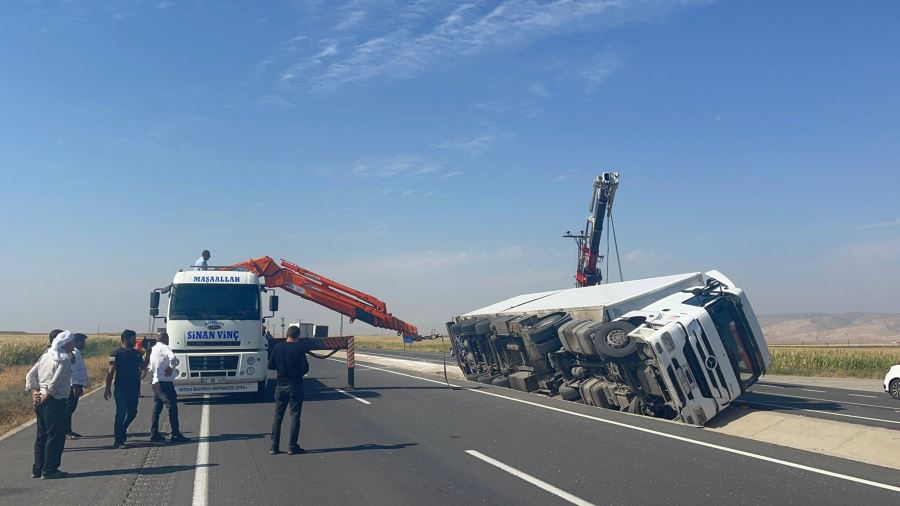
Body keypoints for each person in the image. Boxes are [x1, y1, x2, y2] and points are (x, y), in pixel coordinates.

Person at [25, 330, 76, 479]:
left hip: (40, 399)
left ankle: (37, 468)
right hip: (55, 400)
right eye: (72, 342)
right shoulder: (64, 359)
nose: (74, 344)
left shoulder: (46, 356)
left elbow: (30, 375)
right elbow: (55, 382)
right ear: (66, 343)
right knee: (55, 435)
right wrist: (47, 396)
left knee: (42, 434)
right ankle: (50, 469)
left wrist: (34, 391)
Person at [267, 325, 314, 455]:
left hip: (280, 386)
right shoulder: (299, 348)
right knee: (295, 416)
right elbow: (305, 368)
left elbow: (270, 365)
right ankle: (292, 446)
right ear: (297, 336)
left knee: (278, 416)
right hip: (295, 386)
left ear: (287, 335)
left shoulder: (278, 347)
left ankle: (274, 446)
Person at [104, 329, 143, 449]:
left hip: (134, 387)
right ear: (125, 339)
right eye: (133, 338)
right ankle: (118, 440)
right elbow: (111, 371)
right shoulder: (116, 353)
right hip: (121, 387)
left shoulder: (137, 353)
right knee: (120, 413)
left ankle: (123, 429)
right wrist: (107, 388)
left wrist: (148, 354)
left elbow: (143, 367)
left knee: (133, 412)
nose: (135, 341)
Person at [148, 332, 188, 443]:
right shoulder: (164, 347)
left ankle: (154, 434)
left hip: (156, 383)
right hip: (164, 383)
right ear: (165, 338)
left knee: (156, 409)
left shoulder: (153, 349)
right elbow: (173, 358)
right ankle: (175, 434)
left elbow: (150, 367)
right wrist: (171, 367)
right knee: (172, 406)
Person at [65, 333, 89, 439]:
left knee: (70, 409)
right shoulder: (74, 353)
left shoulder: (77, 352)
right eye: (82, 342)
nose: (84, 344)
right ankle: (66, 431)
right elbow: (73, 371)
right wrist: (75, 385)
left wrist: (81, 385)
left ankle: (68, 430)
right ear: (76, 342)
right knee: (68, 409)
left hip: (75, 385)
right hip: (72, 386)